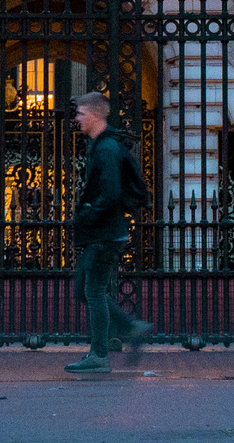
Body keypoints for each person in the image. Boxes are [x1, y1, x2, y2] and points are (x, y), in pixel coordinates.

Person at [64, 91, 153, 374]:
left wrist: (88, 213)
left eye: (80, 113)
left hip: (104, 233)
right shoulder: (103, 145)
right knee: (85, 289)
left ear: (94, 114)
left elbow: (112, 192)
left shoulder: (106, 149)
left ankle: (101, 354)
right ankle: (129, 328)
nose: (77, 118)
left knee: (92, 291)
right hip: (102, 232)